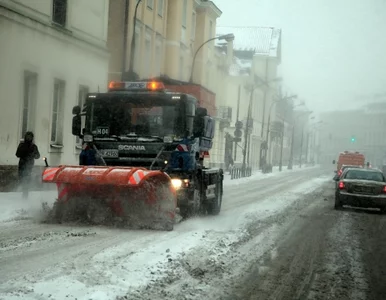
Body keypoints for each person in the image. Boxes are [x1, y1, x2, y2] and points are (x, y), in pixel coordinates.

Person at [15, 131, 40, 198]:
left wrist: (32, 154)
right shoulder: (21, 145)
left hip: (29, 165)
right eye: (27, 136)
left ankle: (25, 192)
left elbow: (38, 156)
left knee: (27, 178)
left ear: (32, 138)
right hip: (22, 164)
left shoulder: (34, 146)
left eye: (30, 137)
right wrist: (23, 153)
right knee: (22, 178)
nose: (29, 138)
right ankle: (23, 189)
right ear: (25, 137)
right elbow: (17, 154)